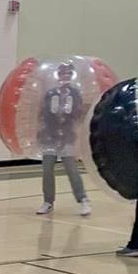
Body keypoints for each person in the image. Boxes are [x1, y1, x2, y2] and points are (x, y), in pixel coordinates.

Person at [37, 64, 92, 217]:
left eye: (68, 74)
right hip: (50, 135)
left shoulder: (75, 94)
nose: (65, 77)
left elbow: (78, 115)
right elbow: (42, 114)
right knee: (47, 168)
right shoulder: (50, 93)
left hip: (67, 136)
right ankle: (48, 201)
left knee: (71, 169)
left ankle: (83, 199)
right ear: (58, 75)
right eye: (62, 74)